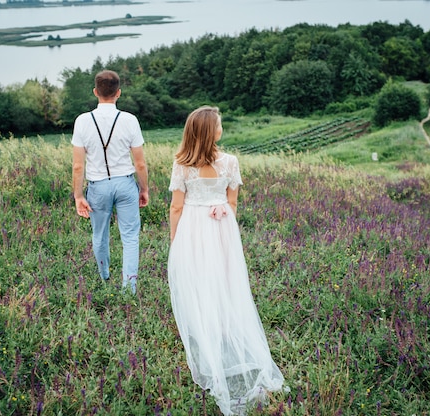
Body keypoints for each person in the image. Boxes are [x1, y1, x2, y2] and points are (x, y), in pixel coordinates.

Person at [167, 106, 284, 415]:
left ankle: (210, 339)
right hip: (221, 229)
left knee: (200, 282)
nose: (221, 128)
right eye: (218, 125)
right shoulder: (230, 162)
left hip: (193, 229)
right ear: (212, 131)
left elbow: (176, 207)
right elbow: (232, 203)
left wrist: (175, 241)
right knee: (226, 281)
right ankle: (224, 335)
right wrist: (222, 212)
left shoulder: (182, 165)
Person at [72, 69, 149, 295]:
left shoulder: (83, 121)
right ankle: (129, 289)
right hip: (126, 184)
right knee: (130, 237)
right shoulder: (129, 120)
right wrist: (143, 189)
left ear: (95, 92)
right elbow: (140, 163)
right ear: (119, 93)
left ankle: (105, 277)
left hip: (97, 185)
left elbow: (78, 165)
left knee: (99, 235)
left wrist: (78, 195)